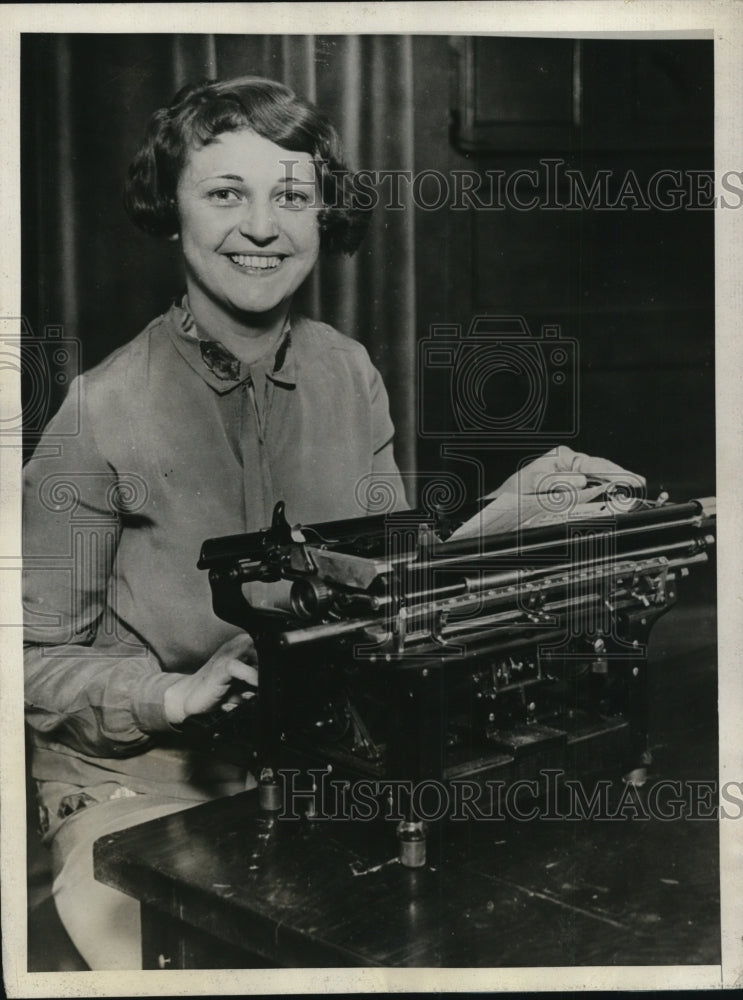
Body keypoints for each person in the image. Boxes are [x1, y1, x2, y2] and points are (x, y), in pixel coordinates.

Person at [23, 75, 639, 970]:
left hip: (336, 770)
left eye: (292, 196)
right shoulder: (96, 412)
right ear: (172, 210)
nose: (263, 227)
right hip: (147, 794)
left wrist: (521, 523)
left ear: (322, 215)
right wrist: (171, 694)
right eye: (225, 193)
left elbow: (384, 575)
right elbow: (30, 659)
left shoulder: (347, 371)